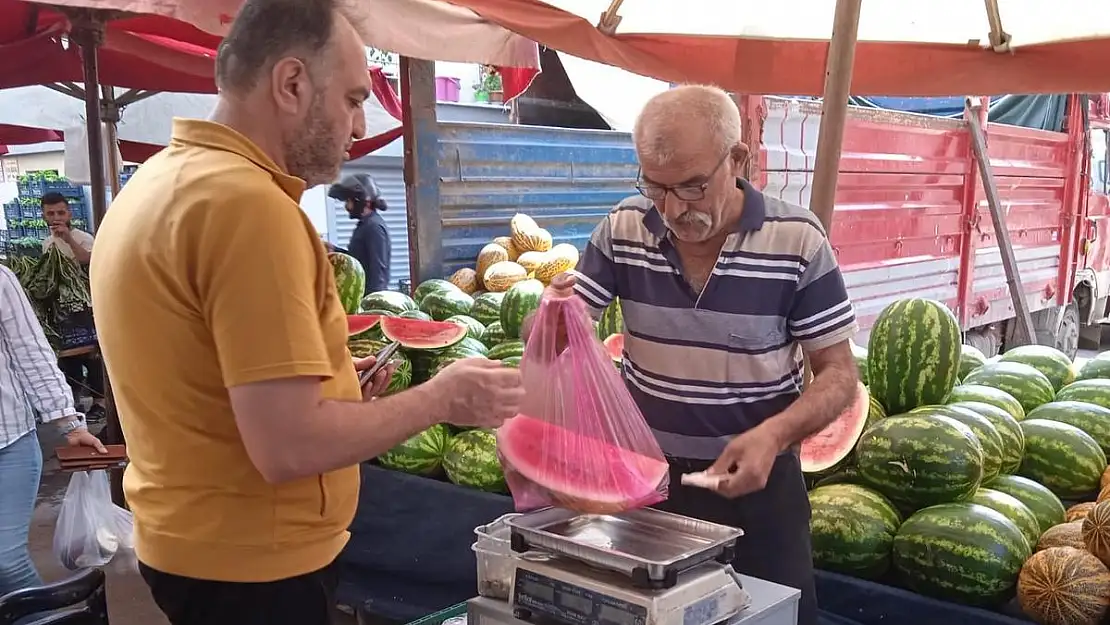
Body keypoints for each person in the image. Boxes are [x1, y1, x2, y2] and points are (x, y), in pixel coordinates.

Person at [87, 1, 523, 624]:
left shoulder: (158, 181)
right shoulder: (249, 208)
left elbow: (212, 386)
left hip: (188, 544)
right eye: (351, 98)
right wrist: (439, 400)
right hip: (255, 569)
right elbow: (287, 447)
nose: (359, 123)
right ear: (291, 84)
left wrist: (341, 389)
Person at [523, 85, 859, 625]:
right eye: (656, 187)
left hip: (761, 493)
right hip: (648, 488)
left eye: (693, 186)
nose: (674, 208)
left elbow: (840, 376)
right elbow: (551, 338)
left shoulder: (797, 240)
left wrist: (773, 436)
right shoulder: (623, 229)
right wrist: (549, 313)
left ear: (738, 159)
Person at [0, 264, 105, 597]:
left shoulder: (1, 281)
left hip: (8, 441)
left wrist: (69, 423)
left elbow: (30, 353)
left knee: (6, 559)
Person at [41, 192, 106, 423]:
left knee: (93, 356)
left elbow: (90, 261)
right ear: (44, 215)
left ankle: (100, 403)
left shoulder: (82, 237)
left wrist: (68, 238)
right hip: (64, 309)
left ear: (69, 213)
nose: (56, 217)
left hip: (87, 306)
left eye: (60, 212)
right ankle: (75, 399)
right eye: (51, 213)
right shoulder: (47, 243)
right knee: (69, 359)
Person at [328, 173, 391, 293]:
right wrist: (335, 250)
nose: (346, 206)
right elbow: (358, 261)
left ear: (360, 200)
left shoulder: (374, 227)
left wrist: (372, 305)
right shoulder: (365, 225)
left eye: (348, 201)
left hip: (367, 298)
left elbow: (378, 274)